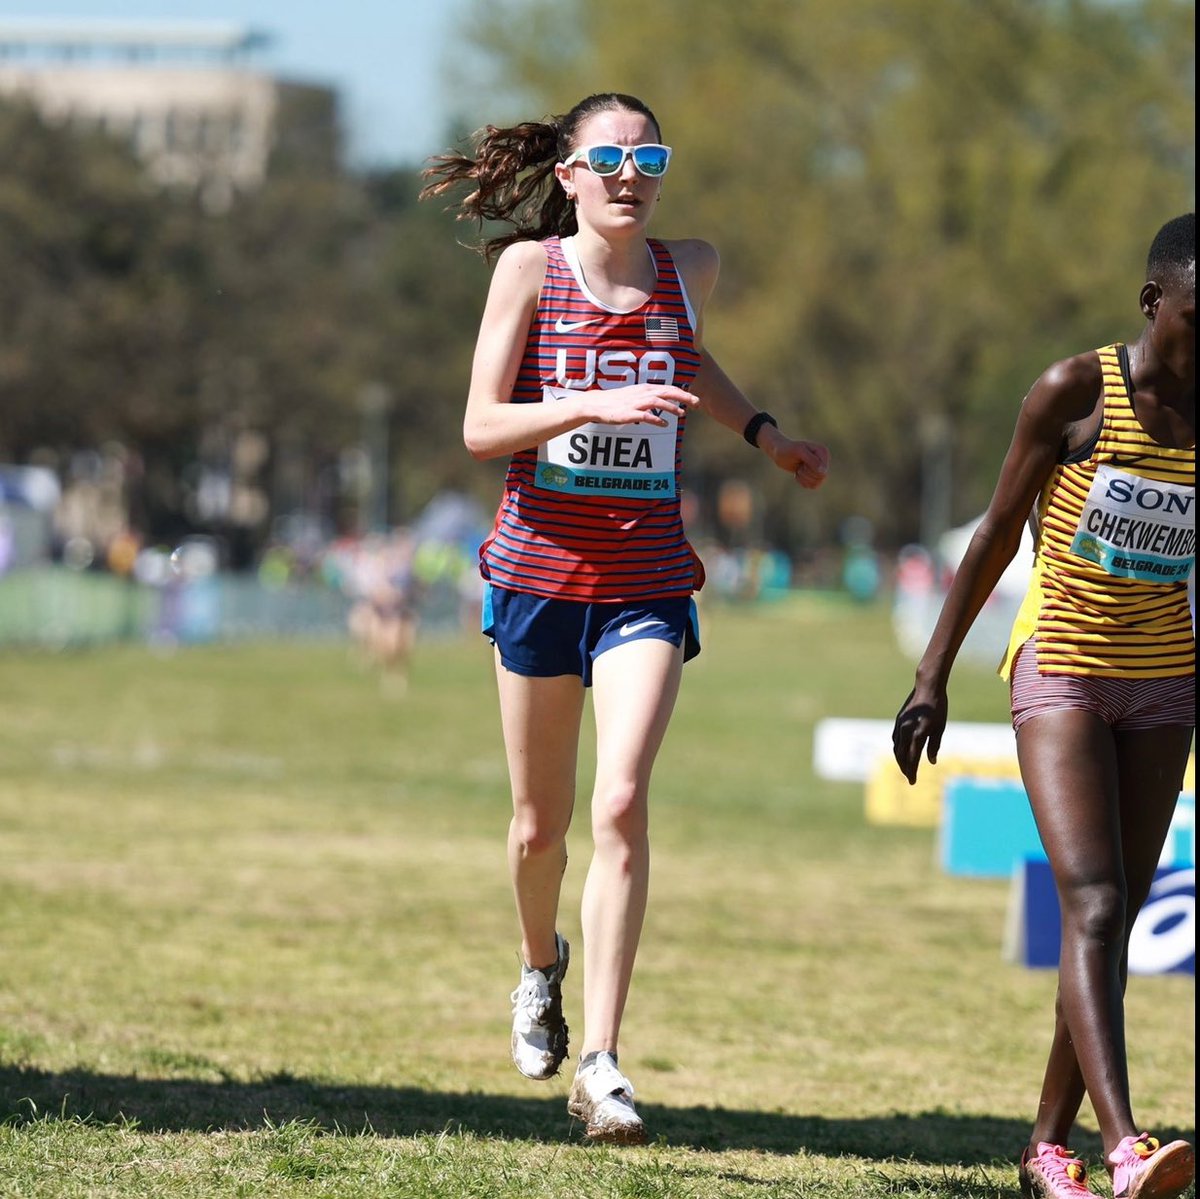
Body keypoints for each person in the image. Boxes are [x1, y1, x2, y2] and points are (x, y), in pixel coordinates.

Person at [420, 92, 829, 1144]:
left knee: (621, 804)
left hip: (647, 579)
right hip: (539, 579)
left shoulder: (690, 267)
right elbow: (479, 426)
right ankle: (537, 965)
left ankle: (600, 1062)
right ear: (567, 173)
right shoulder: (530, 273)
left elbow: (687, 363)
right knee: (536, 827)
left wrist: (768, 435)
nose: (629, 173)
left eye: (648, 155)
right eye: (606, 157)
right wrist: (590, 404)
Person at [892, 214, 1195, 1199]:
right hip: (1062, 666)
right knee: (1096, 904)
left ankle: (1044, 1150)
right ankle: (1126, 1144)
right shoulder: (1075, 389)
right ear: (1155, 303)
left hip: (1165, 680)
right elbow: (990, 538)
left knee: (1107, 920)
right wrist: (932, 674)